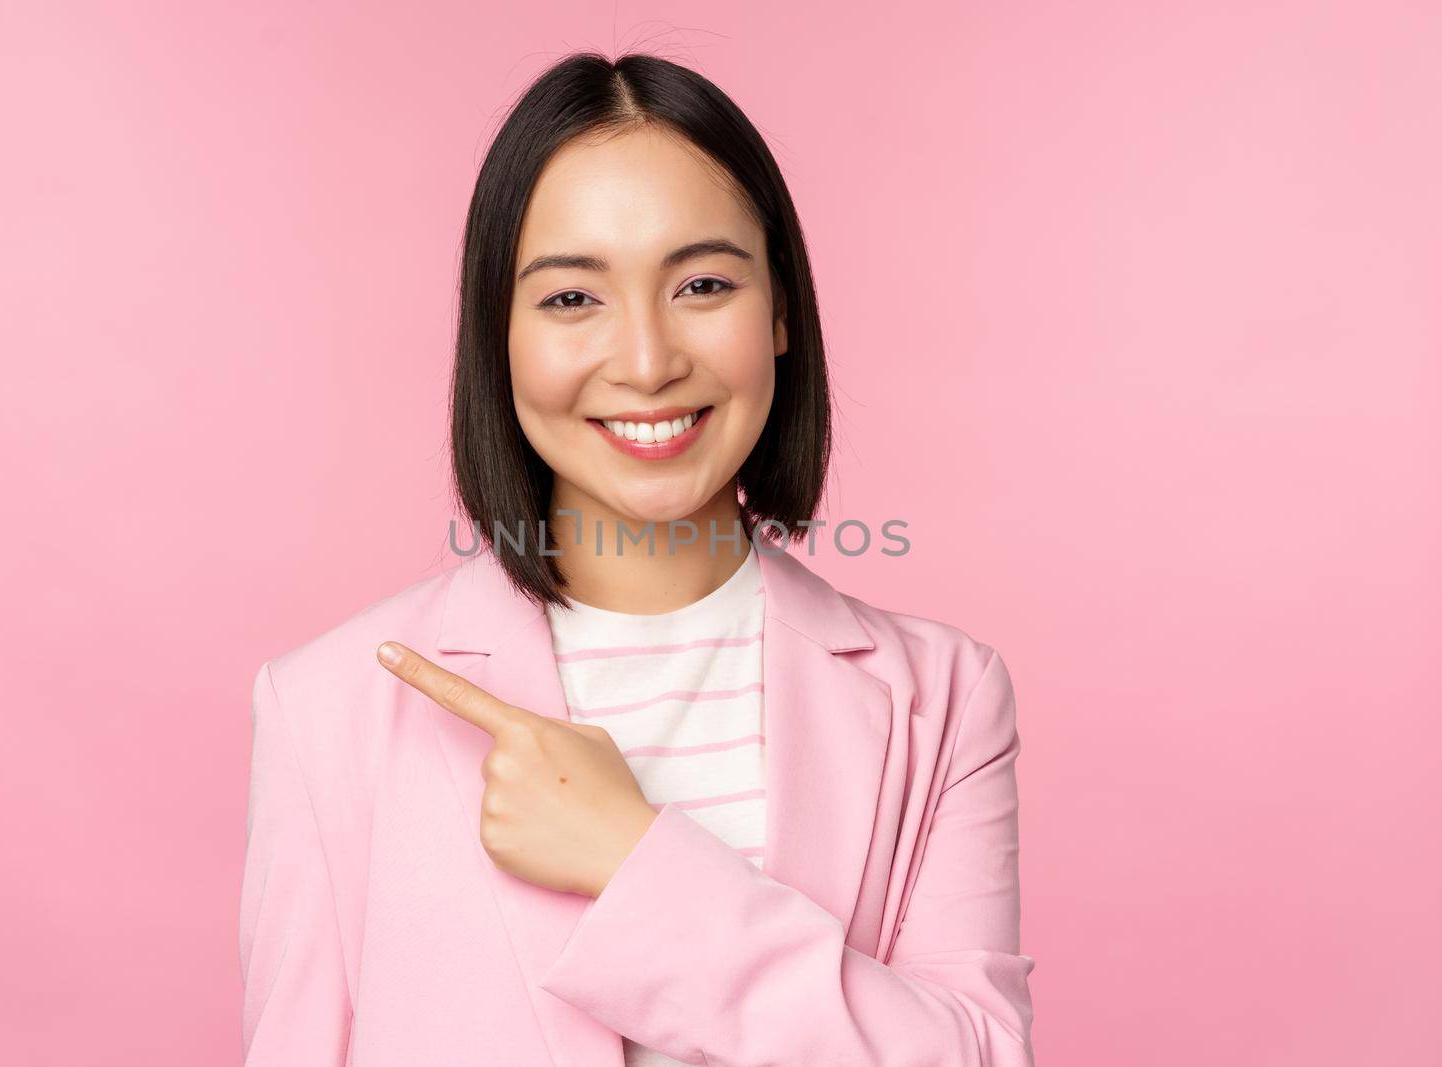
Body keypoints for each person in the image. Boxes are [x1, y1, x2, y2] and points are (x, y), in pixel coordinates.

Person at [239, 50, 1036, 1066]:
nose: (650, 362)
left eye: (702, 283)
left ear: (781, 311)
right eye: (573, 299)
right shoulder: (326, 709)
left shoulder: (945, 697)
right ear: (500, 336)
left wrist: (635, 861)